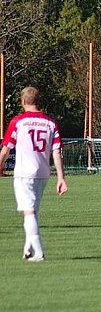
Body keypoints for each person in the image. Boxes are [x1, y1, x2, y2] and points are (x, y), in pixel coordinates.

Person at [0, 87, 68, 262]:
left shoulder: (18, 122)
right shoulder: (50, 123)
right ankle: (28, 248)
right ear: (38, 101)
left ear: (23, 102)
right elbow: (56, 152)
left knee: (29, 211)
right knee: (31, 210)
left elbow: (6, 149)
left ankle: (38, 252)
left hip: (24, 173)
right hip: (43, 173)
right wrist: (61, 178)